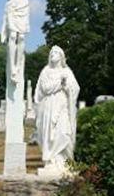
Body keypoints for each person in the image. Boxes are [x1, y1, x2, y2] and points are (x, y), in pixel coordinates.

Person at [34, 46, 80, 175]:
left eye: (56, 52)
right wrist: (60, 82)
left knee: (64, 132)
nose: (53, 54)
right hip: (49, 106)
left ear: (61, 56)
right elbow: (45, 88)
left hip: (63, 106)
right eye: (51, 52)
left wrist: (67, 86)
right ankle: (51, 162)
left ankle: (64, 162)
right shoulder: (46, 71)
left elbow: (75, 88)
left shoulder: (67, 71)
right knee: (50, 134)